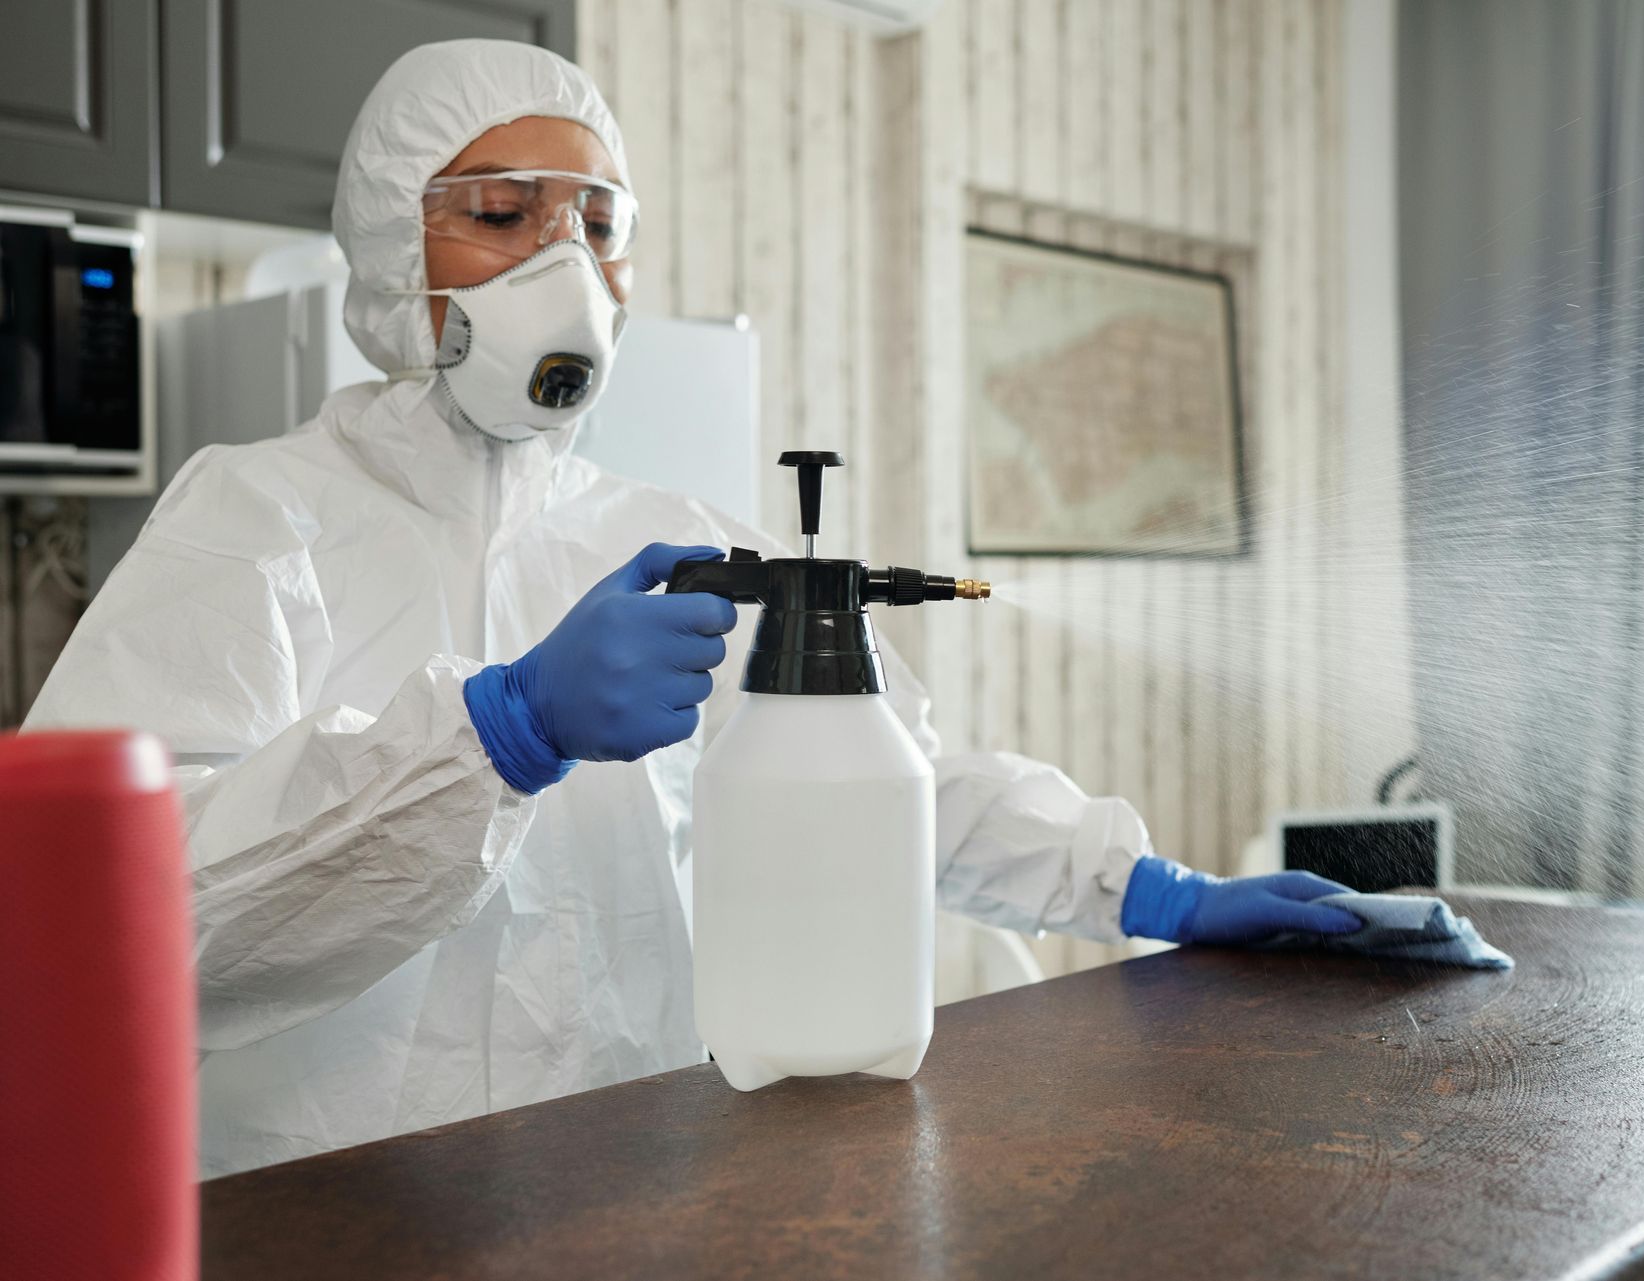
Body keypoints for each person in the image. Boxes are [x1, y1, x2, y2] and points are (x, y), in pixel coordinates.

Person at [26, 39, 1361, 1177]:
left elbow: (892, 780)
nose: (562, 264)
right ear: (395, 246)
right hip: (331, 1207)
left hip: (629, 1183)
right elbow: (114, 914)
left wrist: (1148, 885)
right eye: (500, 216)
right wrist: (498, 731)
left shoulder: (671, 542)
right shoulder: (257, 522)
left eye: (596, 226)